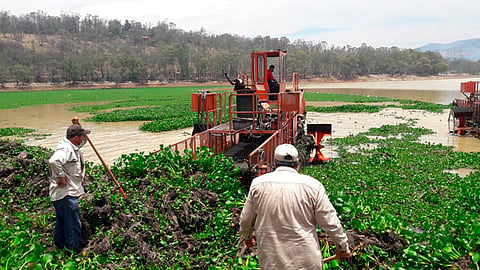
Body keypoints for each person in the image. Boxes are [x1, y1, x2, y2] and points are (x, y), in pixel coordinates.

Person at [239, 144, 351, 269]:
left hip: (272, 262)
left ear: (275, 164)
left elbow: (246, 219)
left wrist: (247, 236)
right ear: (297, 165)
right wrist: (342, 246)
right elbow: (330, 222)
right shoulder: (313, 186)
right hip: (306, 263)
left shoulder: (258, 184)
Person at [49, 124, 90, 252]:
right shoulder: (66, 149)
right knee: (72, 224)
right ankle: (73, 250)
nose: (84, 139)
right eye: (82, 136)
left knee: (62, 221)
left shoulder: (74, 146)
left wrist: (78, 124)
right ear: (76, 137)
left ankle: (59, 246)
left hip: (64, 194)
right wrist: (60, 178)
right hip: (66, 194)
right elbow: (53, 161)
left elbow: (85, 141)